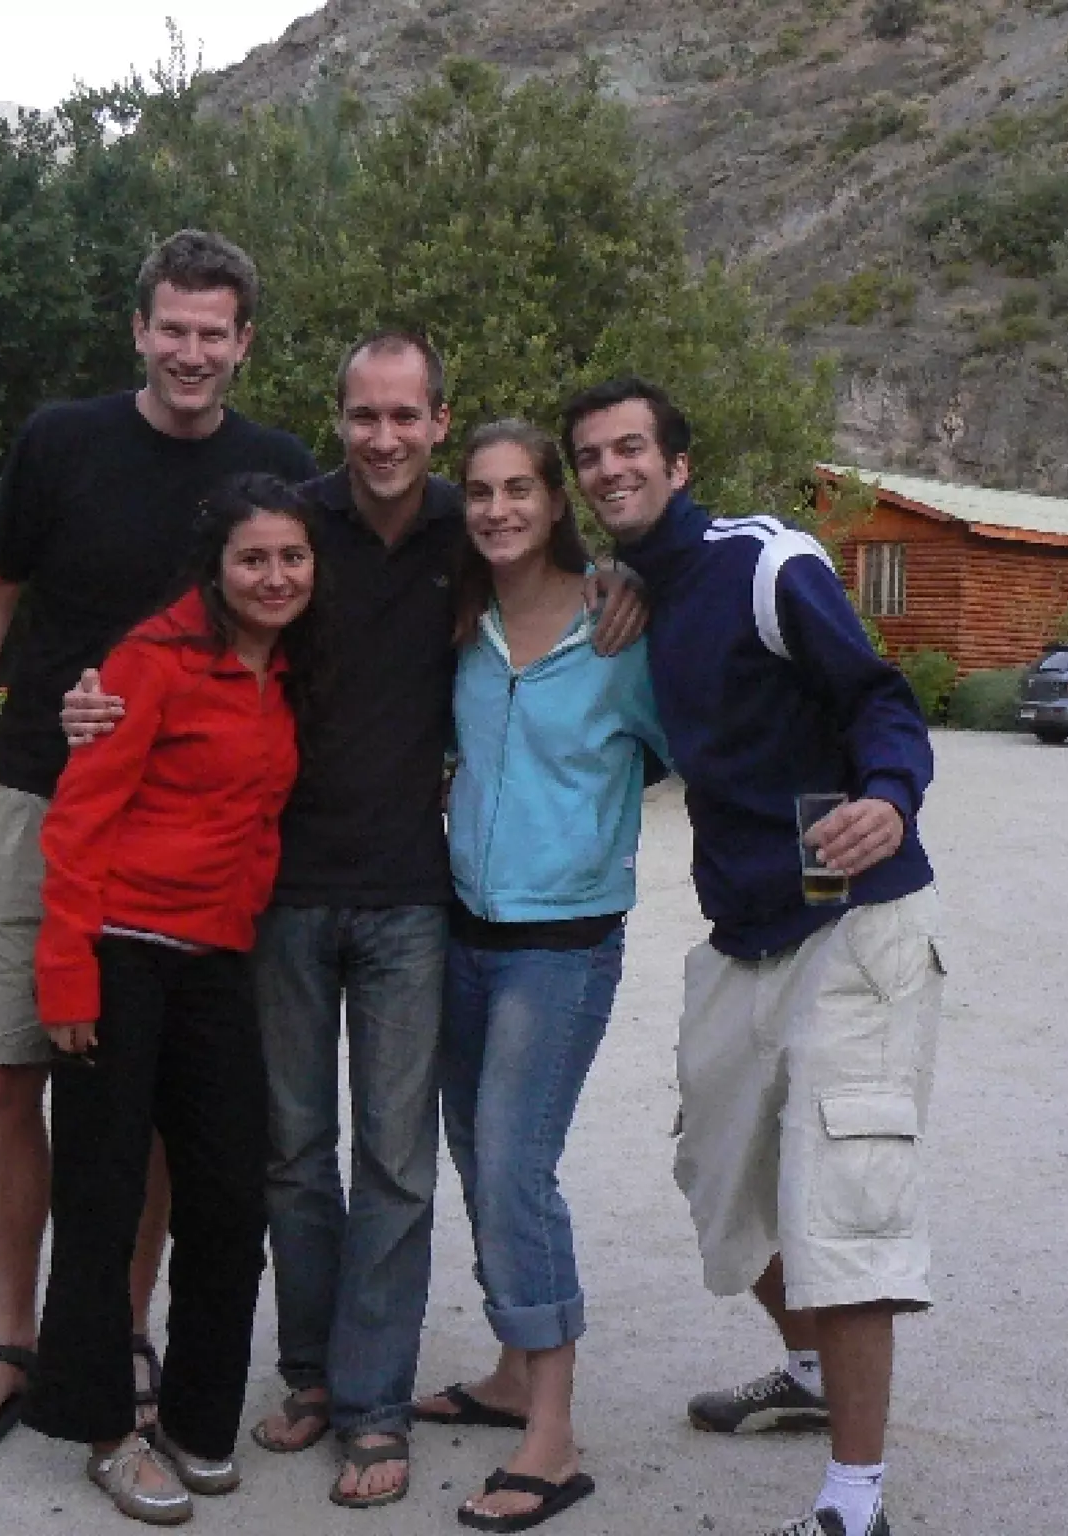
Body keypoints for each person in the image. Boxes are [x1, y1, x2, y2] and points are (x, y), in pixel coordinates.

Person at [65, 333, 649, 1509]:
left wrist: (625, 575)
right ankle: (314, 1374)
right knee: (292, 1158)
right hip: (281, 894)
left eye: (404, 416)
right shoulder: (298, 525)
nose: (383, 438)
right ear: (337, 419)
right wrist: (96, 691)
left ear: (437, 419)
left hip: (408, 898)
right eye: (363, 416)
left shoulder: (464, 529)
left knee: (394, 1163)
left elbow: (556, 553)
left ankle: (374, 1404)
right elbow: (190, 616)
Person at [0, 229, 317, 1459]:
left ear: (243, 342)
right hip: (38, 795)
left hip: (184, 838)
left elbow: (338, 604)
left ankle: (113, 1330)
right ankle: (15, 1338)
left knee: (154, 1103)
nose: (190, 352)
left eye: (212, 333)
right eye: (171, 328)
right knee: (5, 1072)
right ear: (138, 330)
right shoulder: (61, 442)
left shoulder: (276, 468)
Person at [561, 377, 947, 1536]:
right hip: (742, 936)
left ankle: (853, 1502)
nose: (609, 468)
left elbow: (878, 699)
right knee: (718, 1181)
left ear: (677, 464)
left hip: (853, 923)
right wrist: (617, 581)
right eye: (589, 456)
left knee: (840, 1199)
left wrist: (889, 794)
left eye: (630, 447)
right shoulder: (639, 592)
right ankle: (809, 1373)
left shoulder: (767, 563)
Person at [24, 476, 321, 1525]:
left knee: (230, 1201)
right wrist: (65, 970)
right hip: (117, 954)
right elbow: (78, 818)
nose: (275, 576)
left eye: (293, 557)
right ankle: (106, 1431)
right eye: (254, 558)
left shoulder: (291, 667)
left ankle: (197, 1417)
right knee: (101, 1199)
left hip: (216, 961)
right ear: (217, 567)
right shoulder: (149, 661)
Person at [412, 421, 670, 1532]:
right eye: (479, 491)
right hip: (462, 928)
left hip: (562, 945)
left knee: (518, 1164)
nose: (498, 509)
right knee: (478, 1155)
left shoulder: (618, 631)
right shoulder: (461, 624)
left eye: (520, 488)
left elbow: (684, 746)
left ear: (555, 502)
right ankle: (516, 1370)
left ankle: (552, 1434)